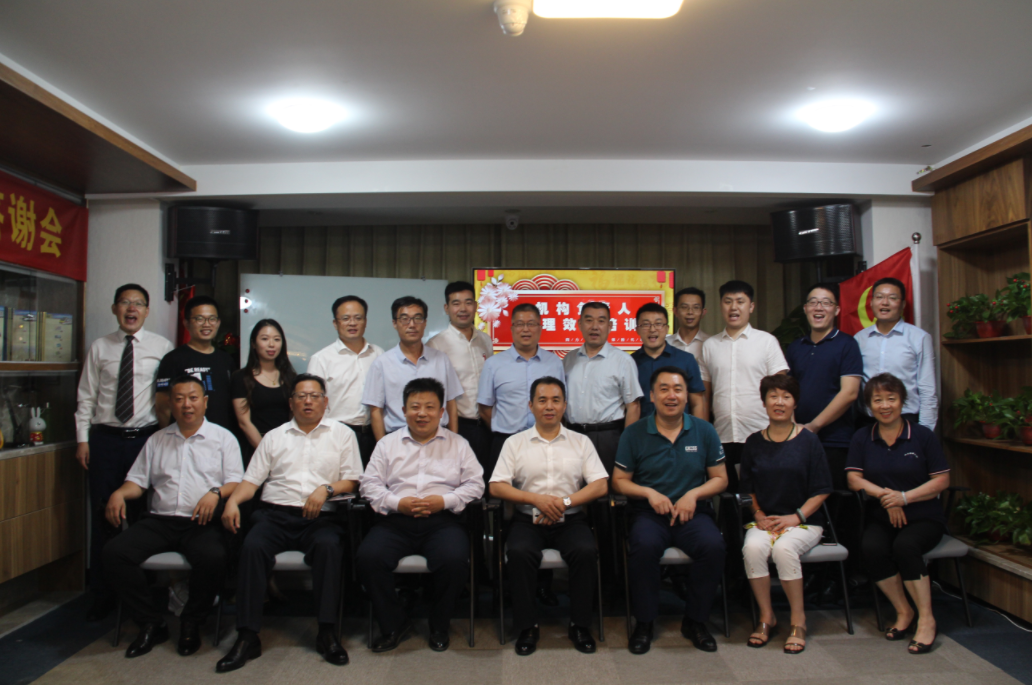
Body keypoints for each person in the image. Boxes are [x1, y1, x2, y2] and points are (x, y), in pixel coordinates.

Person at [217, 374, 362, 672]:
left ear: (325, 401)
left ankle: (327, 632)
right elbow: (251, 481)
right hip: (275, 516)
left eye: (314, 396)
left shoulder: (342, 434)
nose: (308, 401)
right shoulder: (274, 437)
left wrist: (327, 489)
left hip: (321, 517)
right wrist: (232, 501)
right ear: (291, 402)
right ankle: (247, 636)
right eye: (301, 396)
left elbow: (353, 480)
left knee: (329, 547)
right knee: (252, 546)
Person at [102, 375, 243, 658]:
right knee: (114, 553)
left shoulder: (223, 438)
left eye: (193, 398)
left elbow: (236, 481)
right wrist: (119, 493)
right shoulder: (157, 439)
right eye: (179, 399)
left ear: (205, 402)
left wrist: (216, 493)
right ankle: (150, 623)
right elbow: (137, 482)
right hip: (160, 520)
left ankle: (192, 621)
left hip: (201, 522)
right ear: (170, 403)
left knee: (214, 557)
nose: (186, 405)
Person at [357, 378, 485, 653]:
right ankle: (394, 624)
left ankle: (439, 624)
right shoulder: (387, 444)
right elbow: (369, 484)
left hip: (442, 522)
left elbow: (476, 485)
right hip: (395, 521)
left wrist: (445, 501)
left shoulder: (458, 444)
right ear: (404, 410)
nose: (422, 413)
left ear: (442, 412)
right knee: (368, 557)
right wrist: (396, 503)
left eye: (430, 407)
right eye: (415, 407)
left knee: (454, 560)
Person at [75, 283, 174, 621]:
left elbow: (166, 399)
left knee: (143, 516)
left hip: (144, 440)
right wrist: (83, 439)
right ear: (115, 308)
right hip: (104, 440)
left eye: (138, 303)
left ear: (147, 311)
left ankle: (142, 593)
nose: (132, 309)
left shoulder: (162, 347)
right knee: (103, 515)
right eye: (125, 303)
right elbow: (86, 396)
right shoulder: (100, 347)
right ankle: (102, 594)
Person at [490, 376, 609, 656]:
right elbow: (496, 486)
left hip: (571, 519)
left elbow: (600, 484)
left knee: (585, 551)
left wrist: (564, 503)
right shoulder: (515, 443)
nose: (549, 406)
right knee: (518, 552)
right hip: (527, 519)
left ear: (565, 405)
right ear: (530, 405)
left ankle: (580, 625)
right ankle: (527, 626)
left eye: (556, 400)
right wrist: (537, 500)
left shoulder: (580, 442)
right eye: (542, 400)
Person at [612, 366, 728, 655]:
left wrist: (693, 494)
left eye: (678, 389)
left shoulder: (704, 430)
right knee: (643, 546)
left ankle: (695, 621)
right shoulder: (634, 433)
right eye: (663, 389)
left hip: (693, 513)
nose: (671, 395)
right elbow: (619, 481)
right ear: (652, 396)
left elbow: (720, 478)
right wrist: (649, 493)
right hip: (649, 514)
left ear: (687, 395)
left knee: (713, 546)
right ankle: (645, 622)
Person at [847, 373, 950, 655]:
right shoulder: (862, 437)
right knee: (871, 547)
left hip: (924, 516)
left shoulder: (922, 435)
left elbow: (942, 480)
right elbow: (854, 480)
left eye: (891, 399)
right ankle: (904, 611)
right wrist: (887, 497)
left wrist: (904, 498)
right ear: (869, 406)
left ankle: (927, 619)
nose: (885, 405)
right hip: (883, 514)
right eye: (877, 400)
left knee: (906, 546)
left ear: (902, 401)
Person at [739, 375, 832, 654]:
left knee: (783, 549)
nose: (779, 402)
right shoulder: (753, 442)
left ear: (795, 403)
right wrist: (758, 514)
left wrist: (796, 517)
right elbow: (746, 490)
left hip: (804, 521)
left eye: (786, 397)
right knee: (752, 548)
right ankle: (767, 616)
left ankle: (798, 620)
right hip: (766, 520)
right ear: (764, 402)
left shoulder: (809, 441)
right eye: (773, 396)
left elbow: (822, 490)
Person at [701, 280, 789, 492]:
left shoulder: (767, 342)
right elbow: (704, 395)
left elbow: (781, 390)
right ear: (721, 305)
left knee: (763, 494)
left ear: (751, 306)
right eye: (728, 301)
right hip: (722, 435)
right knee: (728, 496)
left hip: (761, 433)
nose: (734, 307)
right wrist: (704, 434)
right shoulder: (710, 346)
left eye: (740, 301)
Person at [785, 283, 863, 489]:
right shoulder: (795, 347)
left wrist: (814, 426)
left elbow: (850, 392)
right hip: (798, 438)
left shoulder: (847, 344)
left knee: (833, 498)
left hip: (835, 440)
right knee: (800, 496)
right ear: (805, 309)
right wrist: (794, 427)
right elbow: (787, 391)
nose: (818, 307)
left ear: (836, 310)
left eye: (826, 303)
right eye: (813, 302)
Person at [477, 302, 565, 479]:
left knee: (544, 489)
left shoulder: (554, 362)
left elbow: (561, 403)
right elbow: (485, 408)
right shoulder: (494, 364)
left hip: (546, 442)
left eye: (531, 324)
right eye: (520, 324)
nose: (525, 329)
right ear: (511, 328)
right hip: (505, 442)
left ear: (540, 328)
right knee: (502, 491)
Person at [362, 296, 462, 441]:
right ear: (395, 323)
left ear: (425, 323)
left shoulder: (441, 360)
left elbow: (451, 403)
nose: (412, 325)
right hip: (398, 439)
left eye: (418, 318)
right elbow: (376, 410)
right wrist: (383, 446)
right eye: (404, 319)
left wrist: (454, 441)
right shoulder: (381, 363)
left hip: (439, 438)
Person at [562, 301, 642, 475]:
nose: (595, 327)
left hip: (607, 438)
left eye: (601, 321)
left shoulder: (623, 361)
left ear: (610, 326)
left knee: (607, 488)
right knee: (573, 486)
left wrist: (626, 446)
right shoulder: (569, 359)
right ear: (579, 324)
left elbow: (633, 407)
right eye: (589, 320)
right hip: (572, 435)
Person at [308, 295, 384, 466]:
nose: (352, 323)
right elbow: (314, 405)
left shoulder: (378, 354)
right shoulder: (321, 359)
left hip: (373, 433)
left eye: (358, 318)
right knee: (341, 481)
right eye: (346, 318)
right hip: (337, 434)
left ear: (365, 321)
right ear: (335, 323)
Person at [854, 278, 937, 430]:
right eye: (879, 297)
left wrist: (926, 430)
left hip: (906, 419)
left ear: (903, 304)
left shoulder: (919, 338)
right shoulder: (859, 339)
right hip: (867, 421)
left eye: (892, 298)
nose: (885, 303)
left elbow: (927, 388)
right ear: (871, 302)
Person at [427, 281, 494, 469]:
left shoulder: (485, 340)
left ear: (476, 306)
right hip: (458, 426)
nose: (463, 309)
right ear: (446, 308)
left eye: (468, 302)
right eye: (456, 303)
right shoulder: (436, 345)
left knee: (486, 478)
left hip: (487, 425)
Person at [155, 295, 236, 431]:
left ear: (218, 322)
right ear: (186, 323)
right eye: (199, 319)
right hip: (185, 437)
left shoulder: (227, 359)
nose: (206, 324)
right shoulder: (173, 359)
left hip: (221, 436)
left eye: (212, 319)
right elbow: (163, 407)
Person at [230, 319, 295, 467]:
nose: (271, 344)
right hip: (254, 449)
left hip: (286, 449)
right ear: (253, 343)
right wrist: (267, 454)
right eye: (265, 339)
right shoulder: (241, 378)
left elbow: (293, 417)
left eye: (276, 339)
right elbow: (244, 422)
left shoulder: (290, 377)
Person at [631, 303, 707, 420]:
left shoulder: (686, 360)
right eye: (646, 324)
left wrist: (699, 430)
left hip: (680, 429)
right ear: (637, 329)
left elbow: (697, 403)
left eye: (658, 324)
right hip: (643, 429)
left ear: (667, 328)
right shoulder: (630, 362)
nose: (652, 329)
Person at [667, 287, 710, 359]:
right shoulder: (666, 344)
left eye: (696, 307)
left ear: (703, 312)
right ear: (675, 311)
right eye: (684, 307)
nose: (690, 312)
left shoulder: (711, 343)